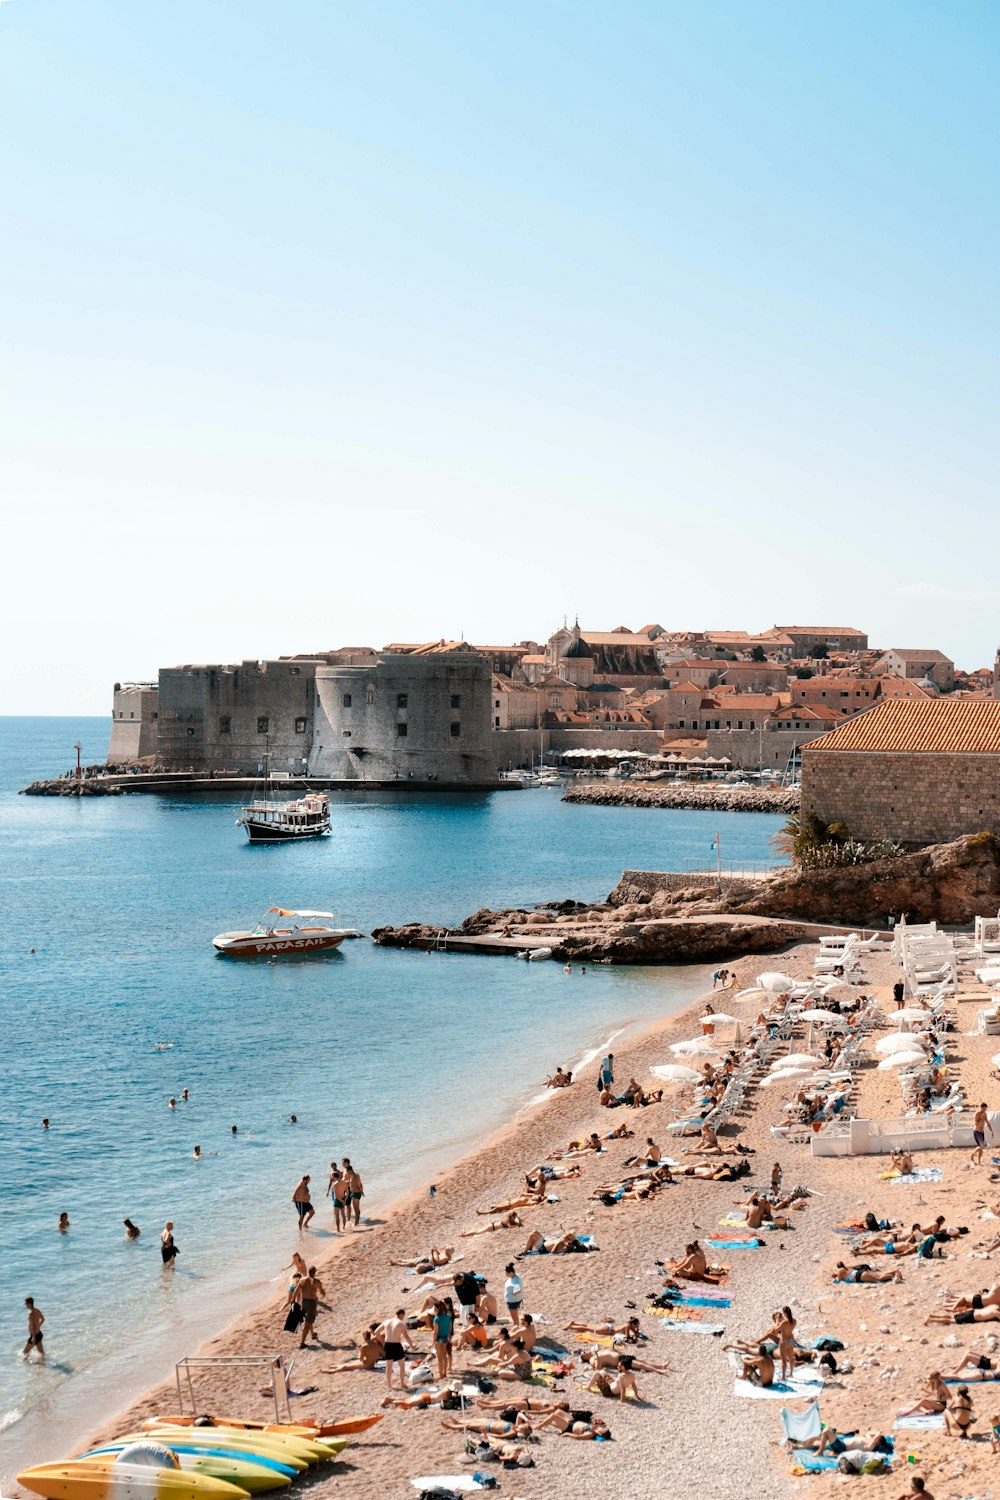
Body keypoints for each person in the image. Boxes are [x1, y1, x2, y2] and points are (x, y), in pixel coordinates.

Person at [378, 1308, 415, 1389]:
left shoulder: (386, 1321)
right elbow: (407, 1337)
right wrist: (412, 1346)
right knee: (402, 1365)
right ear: (401, 1315)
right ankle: (402, 1384)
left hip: (388, 1345)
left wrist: (383, 1341)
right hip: (396, 1345)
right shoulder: (400, 1323)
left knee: (389, 1366)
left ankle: (389, 1385)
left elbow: (376, 1332)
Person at [294, 1265, 325, 1348]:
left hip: (304, 1302)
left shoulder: (302, 1280)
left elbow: (296, 1291)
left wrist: (293, 1301)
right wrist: (322, 1293)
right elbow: (322, 1292)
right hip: (311, 1303)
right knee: (308, 1323)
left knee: (308, 1319)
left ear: (308, 1272)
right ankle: (302, 1343)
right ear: (315, 1273)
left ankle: (313, 1334)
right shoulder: (317, 1282)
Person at [431, 1299, 453, 1378]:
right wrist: (449, 1336)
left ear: (438, 1309)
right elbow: (450, 1328)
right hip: (445, 1338)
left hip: (439, 1338)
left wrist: (432, 1342)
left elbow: (435, 1332)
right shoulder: (447, 1317)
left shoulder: (436, 1318)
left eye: (435, 1308)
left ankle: (441, 1375)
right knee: (444, 1355)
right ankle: (444, 1373)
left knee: (439, 1358)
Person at [833, 1261, 900, 1284]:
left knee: (879, 1279)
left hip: (859, 1276)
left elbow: (838, 1281)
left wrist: (835, 1277)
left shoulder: (840, 1270)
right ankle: (894, 1271)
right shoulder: (847, 1267)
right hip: (861, 1272)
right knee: (879, 1276)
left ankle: (893, 1275)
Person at [342, 1160, 364, 1226]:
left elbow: (359, 1184)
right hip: (353, 1193)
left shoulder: (355, 1176)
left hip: (356, 1193)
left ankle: (356, 1223)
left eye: (348, 1172)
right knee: (357, 1208)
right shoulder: (352, 1176)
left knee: (356, 1209)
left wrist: (362, 1192)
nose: (347, 1173)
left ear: (350, 1170)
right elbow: (350, 1182)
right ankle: (357, 1221)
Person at [22, 1298, 44, 1362]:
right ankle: (43, 1366)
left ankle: (26, 1367)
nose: (25, 1305)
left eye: (26, 1303)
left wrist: (33, 1338)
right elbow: (42, 1319)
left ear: (30, 1304)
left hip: (34, 1336)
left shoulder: (31, 1313)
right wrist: (38, 1326)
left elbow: (32, 1326)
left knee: (25, 1352)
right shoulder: (37, 1310)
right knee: (41, 1353)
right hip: (39, 1334)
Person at [327, 1165, 347, 1234]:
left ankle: (338, 1230)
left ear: (334, 1177)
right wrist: (344, 1200)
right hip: (343, 1199)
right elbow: (347, 1192)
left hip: (337, 1201)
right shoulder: (344, 1182)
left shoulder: (335, 1184)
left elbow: (336, 1195)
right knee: (343, 1215)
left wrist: (341, 1201)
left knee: (337, 1216)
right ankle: (344, 1227)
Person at [504, 1263, 523, 1328]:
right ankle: (516, 1329)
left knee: (515, 1318)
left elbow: (516, 1292)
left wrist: (511, 1293)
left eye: (507, 1273)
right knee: (515, 1318)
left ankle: (516, 1331)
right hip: (513, 1301)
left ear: (511, 1272)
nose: (506, 1274)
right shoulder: (513, 1277)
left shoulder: (517, 1281)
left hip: (513, 1302)